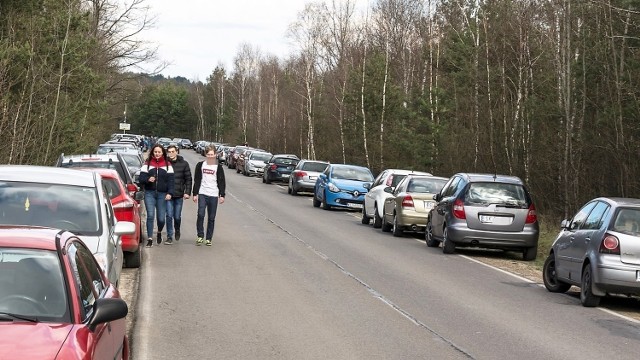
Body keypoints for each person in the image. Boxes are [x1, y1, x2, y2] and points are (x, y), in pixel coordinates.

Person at [138, 144, 175, 247]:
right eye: (155, 152)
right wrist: (148, 179)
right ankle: (150, 238)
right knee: (150, 216)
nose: (157, 154)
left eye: (159, 152)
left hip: (162, 194)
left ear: (162, 152)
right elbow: (141, 179)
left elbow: (171, 181)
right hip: (150, 193)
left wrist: (169, 193)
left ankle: (159, 232)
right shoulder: (147, 163)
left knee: (161, 218)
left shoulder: (167, 165)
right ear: (152, 153)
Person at [192, 145, 226, 246]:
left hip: (213, 194)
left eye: (212, 154)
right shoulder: (200, 165)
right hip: (203, 193)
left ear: (215, 155)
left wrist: (222, 195)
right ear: (206, 154)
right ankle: (200, 236)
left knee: (211, 217)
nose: (210, 156)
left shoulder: (218, 167)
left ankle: (208, 238)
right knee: (201, 214)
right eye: (208, 154)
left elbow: (221, 181)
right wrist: (195, 193)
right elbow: (197, 180)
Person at [165, 145, 192, 244]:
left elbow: (188, 179)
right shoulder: (165, 164)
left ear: (177, 152)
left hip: (179, 194)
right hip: (168, 194)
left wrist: (187, 192)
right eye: (169, 152)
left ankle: (177, 229)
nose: (171, 154)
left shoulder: (184, 164)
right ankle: (169, 236)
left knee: (177, 216)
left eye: (173, 151)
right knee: (169, 215)